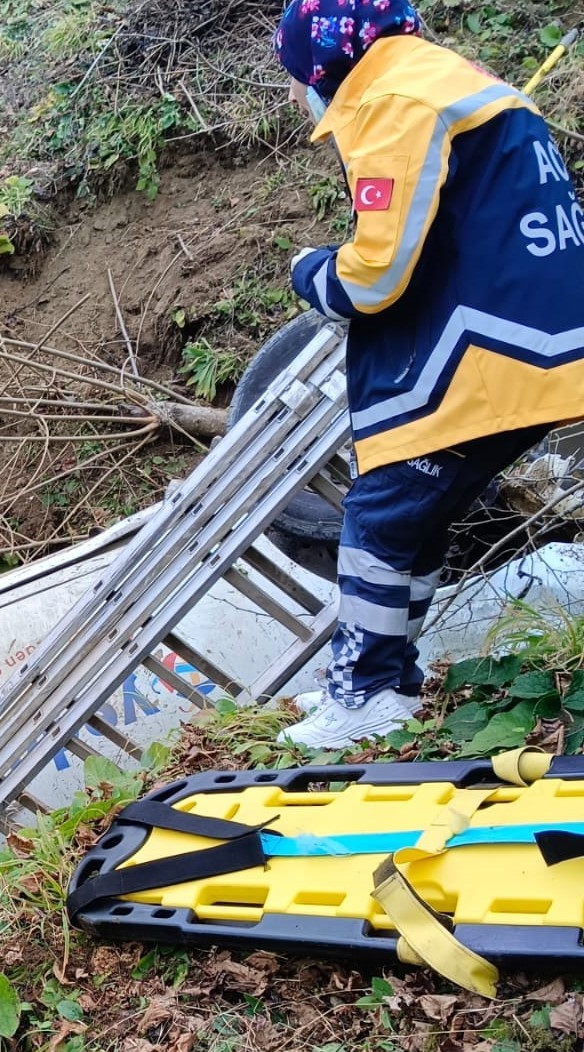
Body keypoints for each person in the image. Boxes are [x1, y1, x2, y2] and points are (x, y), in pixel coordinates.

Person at [273, 0, 584, 749]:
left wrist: (313, 274)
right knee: (413, 517)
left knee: (382, 516)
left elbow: (378, 273)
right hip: (537, 340)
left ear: (323, 61)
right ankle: (382, 684)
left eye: (291, 76)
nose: (292, 95)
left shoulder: (390, 100)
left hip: (488, 356)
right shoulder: (443, 78)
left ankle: (367, 694)